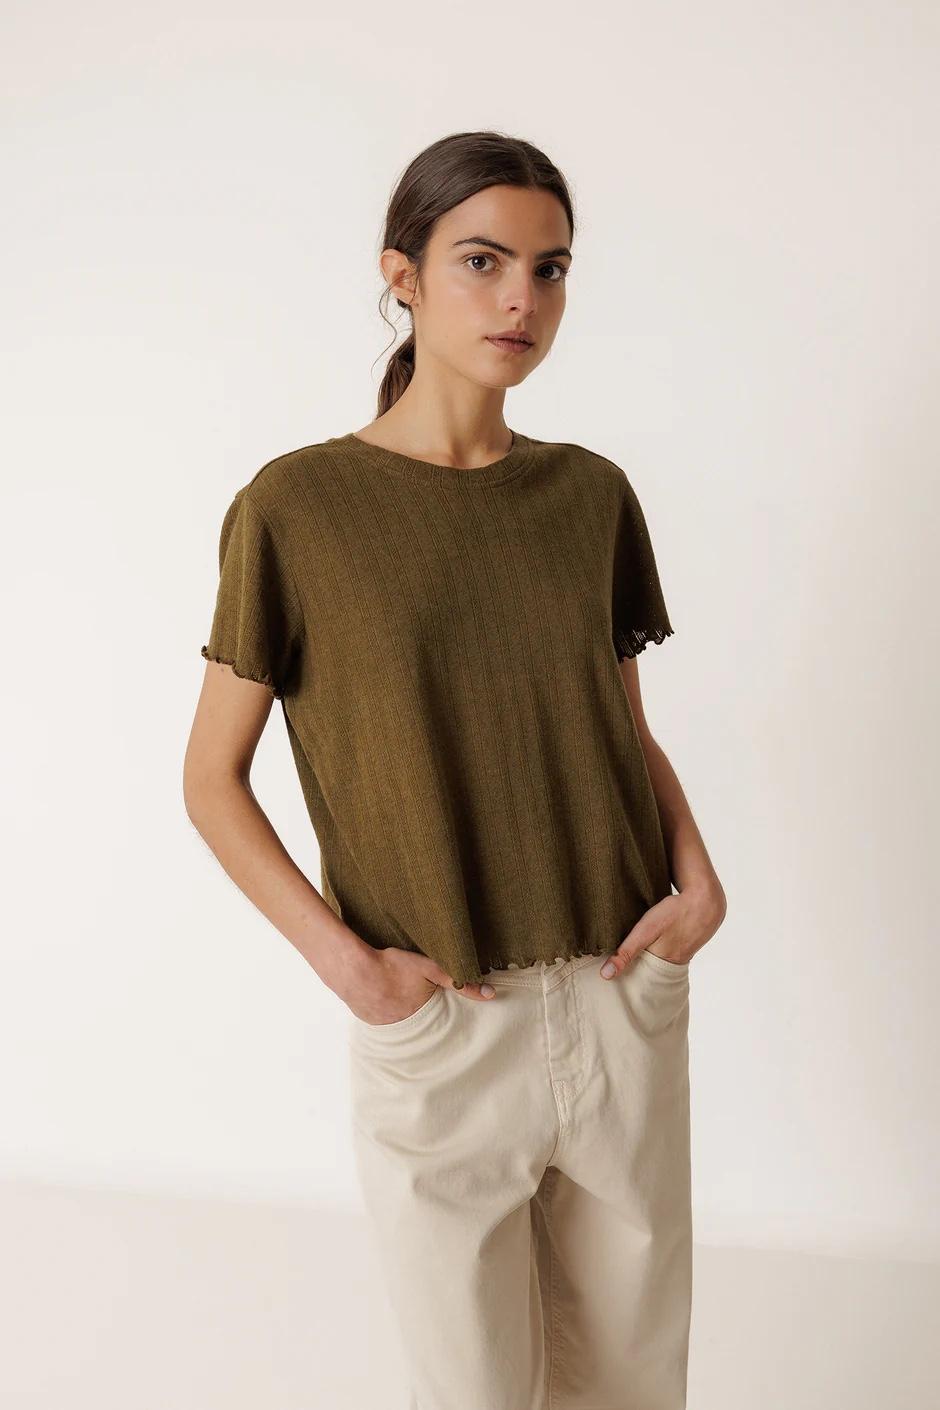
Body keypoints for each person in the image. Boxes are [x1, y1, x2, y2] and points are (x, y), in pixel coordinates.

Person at [183, 129, 727, 1410]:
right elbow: (212, 778)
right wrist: (352, 970)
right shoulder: (297, 508)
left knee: (635, 1388)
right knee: (470, 1392)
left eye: (549, 268)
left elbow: (620, 726)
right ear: (403, 276)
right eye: (481, 261)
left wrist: (698, 888)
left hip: (620, 993)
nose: (519, 299)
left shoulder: (590, 496)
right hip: (443, 1020)